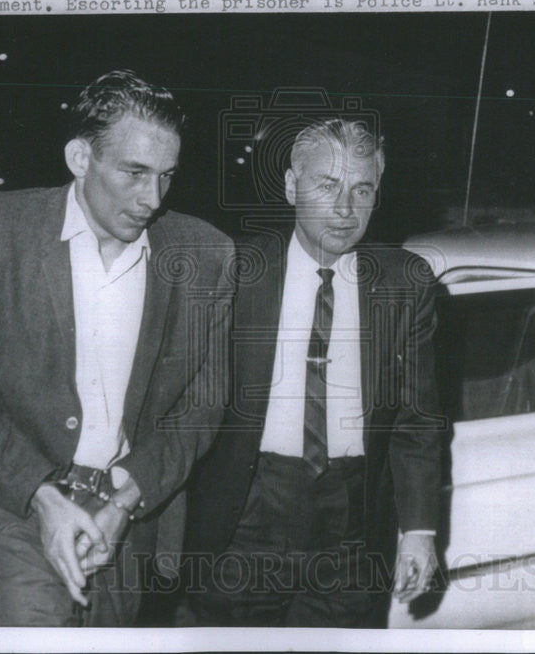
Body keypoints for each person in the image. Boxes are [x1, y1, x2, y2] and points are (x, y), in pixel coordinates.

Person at [0, 70, 234, 626]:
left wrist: (124, 504)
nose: (153, 198)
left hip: (128, 506)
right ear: (80, 157)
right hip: (8, 495)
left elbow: (200, 410)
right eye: (134, 173)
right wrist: (45, 499)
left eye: (167, 176)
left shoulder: (207, 255)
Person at [183, 118, 443, 627]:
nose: (346, 209)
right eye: (328, 186)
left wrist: (419, 530)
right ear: (290, 185)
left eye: (362, 189)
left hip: (351, 521)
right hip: (246, 513)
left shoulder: (406, 282)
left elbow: (418, 418)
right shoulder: (235, 268)